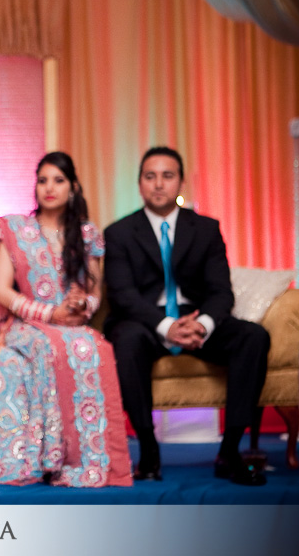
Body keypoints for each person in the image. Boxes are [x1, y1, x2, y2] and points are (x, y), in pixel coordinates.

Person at [103, 146, 269, 486]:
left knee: (254, 336)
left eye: (167, 176)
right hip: (147, 322)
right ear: (139, 184)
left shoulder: (206, 229)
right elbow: (122, 295)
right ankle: (148, 450)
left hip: (196, 319)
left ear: (180, 182)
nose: (159, 184)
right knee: (126, 338)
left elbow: (222, 291)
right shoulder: (119, 233)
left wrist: (203, 324)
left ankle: (230, 451)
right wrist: (166, 326)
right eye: (150, 176)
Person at [0, 151, 133, 488]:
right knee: (53, 347)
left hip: (70, 325)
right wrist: (51, 314)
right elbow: (3, 291)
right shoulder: (15, 229)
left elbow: (95, 291)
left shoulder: (87, 234)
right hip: (27, 325)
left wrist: (81, 306)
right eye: (42, 180)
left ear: (73, 187)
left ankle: (87, 461)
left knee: (94, 346)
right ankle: (49, 458)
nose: (49, 187)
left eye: (58, 180)